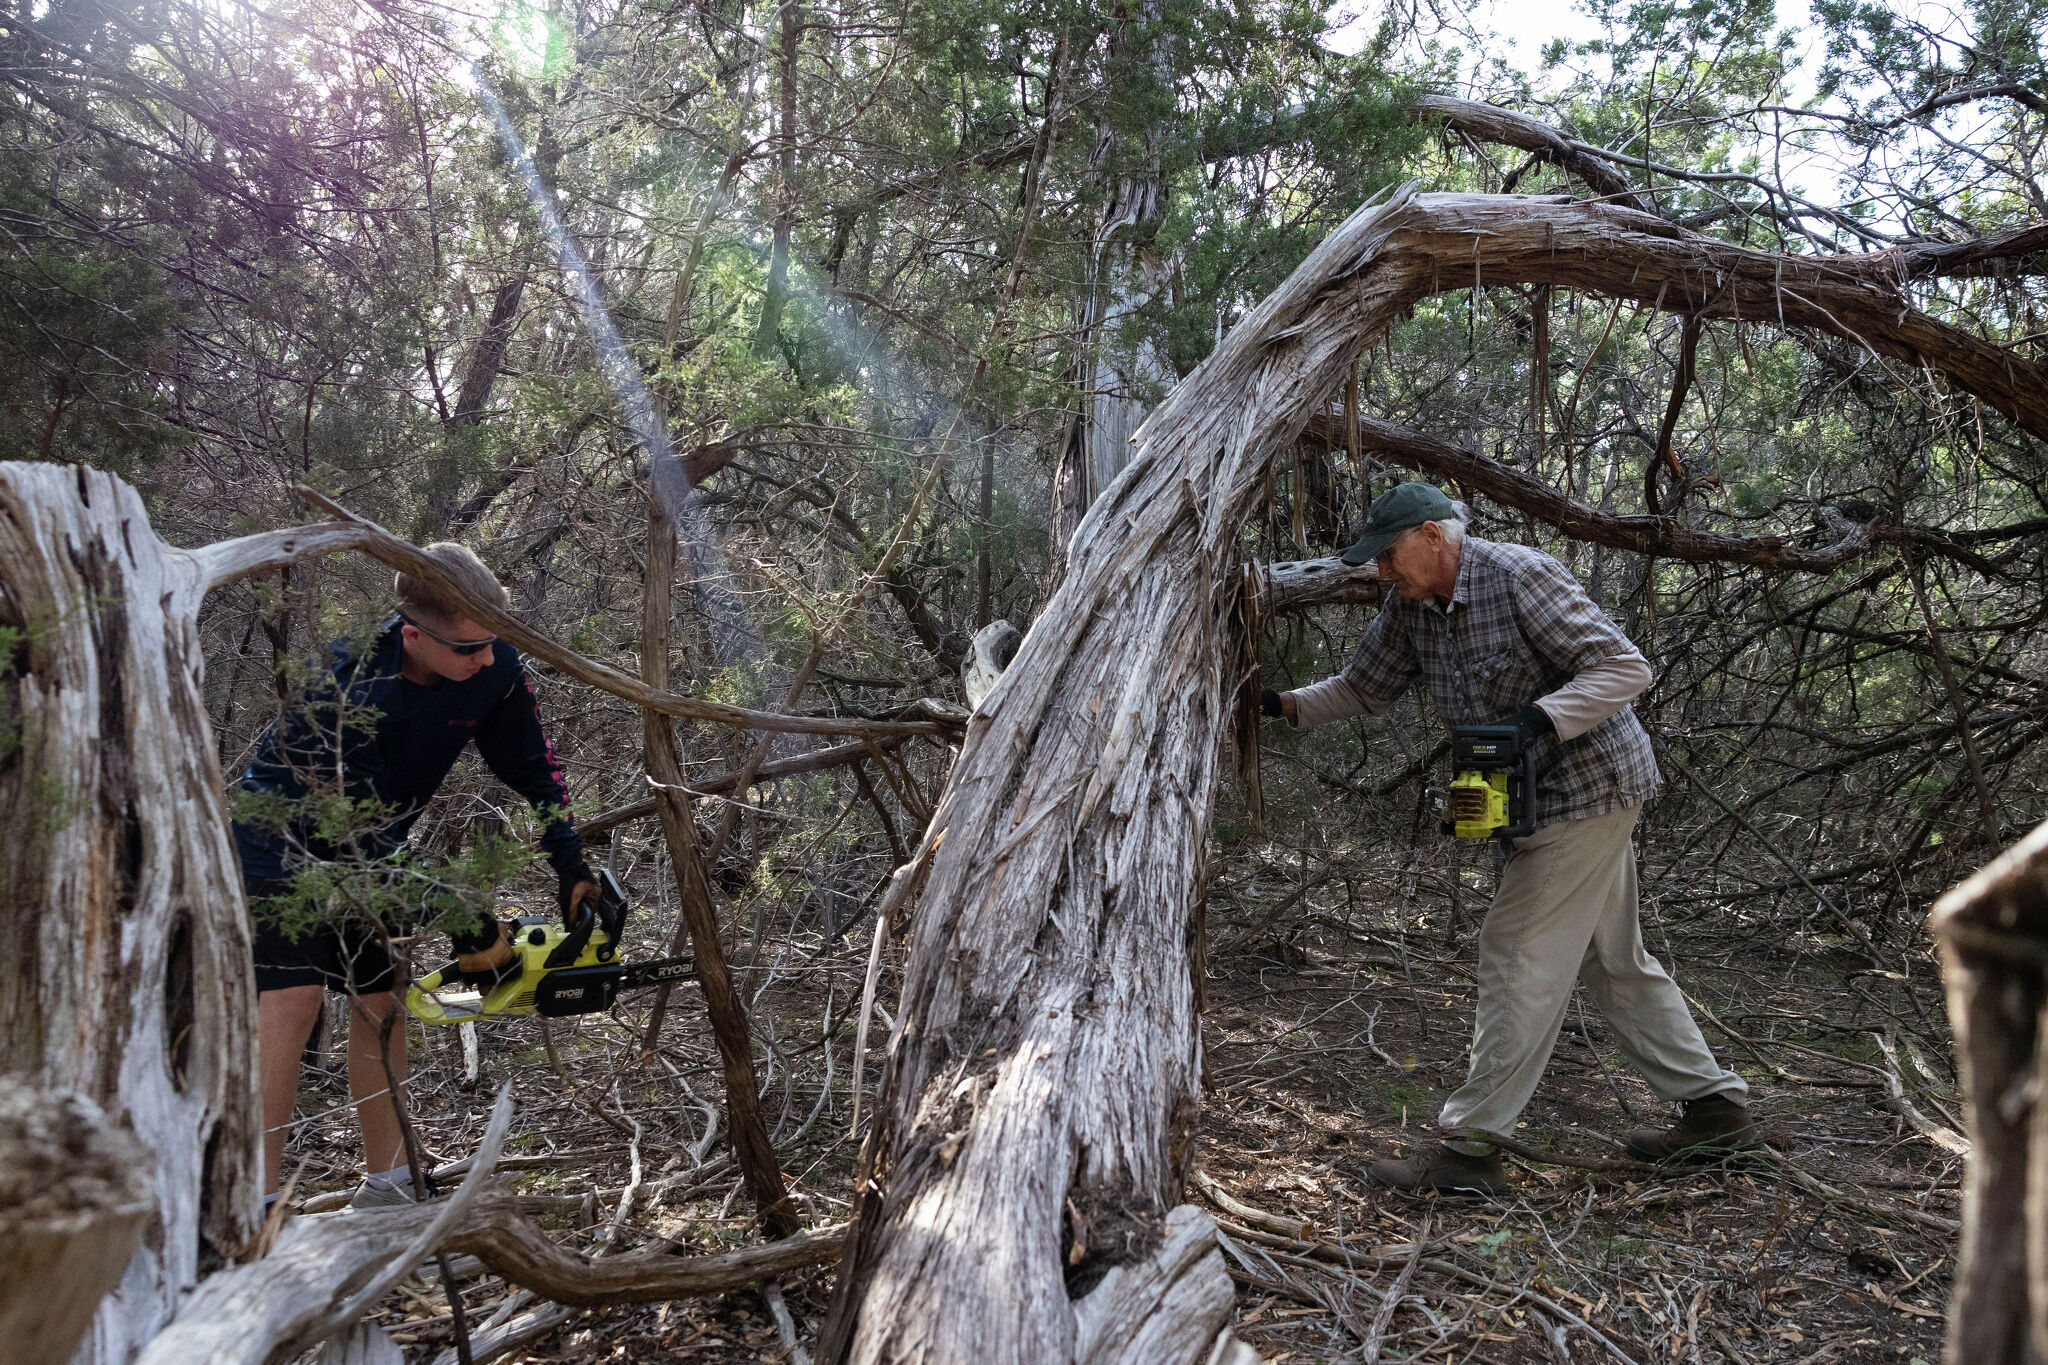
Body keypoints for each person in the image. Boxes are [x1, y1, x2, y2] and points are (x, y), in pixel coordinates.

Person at [1264, 482, 1755, 1194]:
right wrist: (1279, 705)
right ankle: (1716, 1112)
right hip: (1527, 805)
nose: (1382, 572)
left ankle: (1469, 1148)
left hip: (1588, 788)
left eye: (1390, 555)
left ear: (1433, 536)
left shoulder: (1519, 574)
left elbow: (1625, 667)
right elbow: (1364, 687)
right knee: (1614, 962)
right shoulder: (1410, 605)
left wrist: (1537, 720)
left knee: (1515, 951)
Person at [234, 543, 596, 1210]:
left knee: (383, 1002)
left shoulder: (494, 661)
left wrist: (568, 857)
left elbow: (532, 761)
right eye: (468, 649)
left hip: (383, 846)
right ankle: (249, 1203)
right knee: (293, 1002)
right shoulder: (346, 682)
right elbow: (357, 829)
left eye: (494, 642)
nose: (485, 659)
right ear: (412, 634)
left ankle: (391, 1184)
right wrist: (466, 918)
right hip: (278, 843)